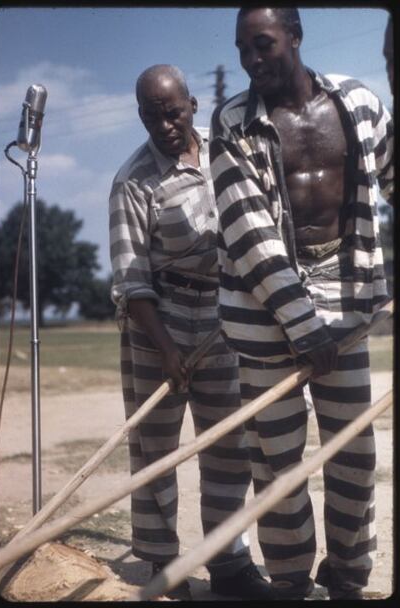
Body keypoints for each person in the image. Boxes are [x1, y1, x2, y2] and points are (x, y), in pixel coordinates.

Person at [209, 8, 393, 601]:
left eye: (262, 44)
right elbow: (248, 230)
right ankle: (290, 584)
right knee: (278, 467)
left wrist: (328, 323)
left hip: (348, 301)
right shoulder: (231, 121)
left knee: (354, 456)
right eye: (242, 50)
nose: (251, 60)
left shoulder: (359, 104)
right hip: (263, 317)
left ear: (295, 35)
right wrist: (301, 323)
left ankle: (347, 578)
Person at [108, 64, 276, 600]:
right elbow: (131, 283)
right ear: (141, 116)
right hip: (156, 319)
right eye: (152, 115)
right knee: (156, 450)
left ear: (193, 105)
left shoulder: (227, 153)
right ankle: (161, 564)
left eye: (173, 111)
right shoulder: (131, 182)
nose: (165, 124)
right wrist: (167, 348)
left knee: (229, 446)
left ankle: (228, 561)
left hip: (226, 313)